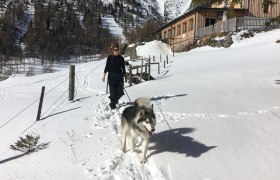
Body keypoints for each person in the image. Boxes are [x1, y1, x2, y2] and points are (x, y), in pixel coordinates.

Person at [102, 44, 126, 109]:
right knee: (113, 93)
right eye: (114, 50)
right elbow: (107, 66)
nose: (116, 51)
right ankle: (113, 103)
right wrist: (104, 75)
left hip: (119, 77)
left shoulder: (121, 58)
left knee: (120, 92)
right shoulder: (110, 57)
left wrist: (125, 76)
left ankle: (114, 101)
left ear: (119, 50)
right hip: (111, 77)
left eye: (117, 50)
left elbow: (123, 68)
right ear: (113, 50)